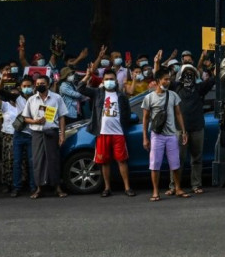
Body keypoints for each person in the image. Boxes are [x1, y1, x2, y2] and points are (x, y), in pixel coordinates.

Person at [78, 66, 135, 197]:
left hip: (118, 134)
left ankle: (127, 187)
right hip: (102, 133)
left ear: (116, 81)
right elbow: (80, 88)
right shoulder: (97, 93)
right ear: (103, 80)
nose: (110, 81)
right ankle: (107, 188)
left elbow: (127, 114)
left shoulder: (121, 96)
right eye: (107, 79)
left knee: (122, 160)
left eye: (112, 79)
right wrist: (87, 75)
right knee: (105, 162)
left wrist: (123, 125)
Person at [142, 68, 189, 201]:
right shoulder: (149, 97)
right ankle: (155, 191)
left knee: (175, 164)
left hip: (172, 135)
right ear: (158, 81)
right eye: (165, 79)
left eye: (169, 79)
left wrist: (183, 131)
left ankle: (178, 188)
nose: (168, 81)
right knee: (155, 165)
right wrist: (145, 137)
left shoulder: (173, 95)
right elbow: (145, 119)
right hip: (157, 136)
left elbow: (178, 113)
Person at [166, 64, 214, 195]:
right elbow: (162, 80)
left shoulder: (199, 88)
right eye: (186, 72)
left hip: (197, 128)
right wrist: (158, 64)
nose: (189, 75)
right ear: (181, 74)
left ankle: (196, 185)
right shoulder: (176, 87)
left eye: (191, 72)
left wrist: (214, 69)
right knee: (177, 159)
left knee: (197, 159)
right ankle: (173, 186)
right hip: (180, 129)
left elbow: (212, 80)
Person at [22, 75, 68, 198]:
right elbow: (25, 118)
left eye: (42, 83)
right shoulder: (31, 100)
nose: (39, 85)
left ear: (47, 85)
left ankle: (57, 187)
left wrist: (62, 134)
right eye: (37, 83)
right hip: (36, 133)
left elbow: (62, 117)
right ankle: (39, 188)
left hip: (51, 133)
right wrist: (35, 121)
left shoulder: (56, 98)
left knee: (53, 160)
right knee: (38, 161)